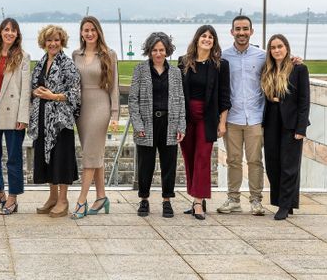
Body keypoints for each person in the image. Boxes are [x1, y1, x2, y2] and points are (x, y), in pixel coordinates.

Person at [128, 32, 185, 218]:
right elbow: (132, 100)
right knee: (146, 165)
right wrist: (138, 125)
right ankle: (143, 199)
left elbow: (180, 100)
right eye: (154, 50)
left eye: (161, 50)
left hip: (170, 123)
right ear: (149, 51)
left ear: (167, 50)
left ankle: (167, 201)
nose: (158, 54)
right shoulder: (140, 70)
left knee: (169, 164)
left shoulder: (176, 72)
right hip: (146, 124)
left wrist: (181, 126)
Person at [178, 25, 230, 220]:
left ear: (214, 41)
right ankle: (195, 198)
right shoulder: (183, 62)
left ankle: (198, 202)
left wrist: (222, 122)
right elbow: (177, 93)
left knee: (202, 157)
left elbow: (225, 96)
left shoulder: (220, 65)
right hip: (186, 117)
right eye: (204, 36)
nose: (207, 39)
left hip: (207, 118)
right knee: (189, 157)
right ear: (197, 39)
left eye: (211, 37)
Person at [218, 16, 268, 216]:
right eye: (237, 29)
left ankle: (256, 201)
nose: (241, 33)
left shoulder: (262, 56)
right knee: (233, 160)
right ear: (232, 32)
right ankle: (233, 199)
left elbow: (282, 67)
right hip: (232, 118)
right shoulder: (222, 57)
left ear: (251, 31)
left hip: (255, 117)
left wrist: (296, 60)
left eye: (245, 29)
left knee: (255, 160)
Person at [29, 24, 81, 218]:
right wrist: (35, 92)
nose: (53, 43)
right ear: (44, 42)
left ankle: (63, 200)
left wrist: (53, 96)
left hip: (60, 120)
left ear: (62, 42)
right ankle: (52, 197)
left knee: (61, 158)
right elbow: (34, 86)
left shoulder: (68, 64)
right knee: (46, 157)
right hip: (42, 117)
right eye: (49, 40)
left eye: (56, 40)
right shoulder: (41, 62)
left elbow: (75, 94)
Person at [70, 16, 119, 219]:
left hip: (100, 106)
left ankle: (81, 201)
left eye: (92, 30)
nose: (89, 33)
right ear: (81, 33)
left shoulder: (109, 54)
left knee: (90, 154)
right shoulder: (76, 54)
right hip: (81, 109)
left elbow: (114, 86)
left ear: (98, 31)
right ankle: (101, 197)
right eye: (85, 30)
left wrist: (115, 114)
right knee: (94, 152)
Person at [0, 18, 31, 215]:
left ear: (18, 34)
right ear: (1, 32)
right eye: (6, 29)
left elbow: (26, 89)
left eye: (13, 30)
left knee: (13, 157)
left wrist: (23, 116)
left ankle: (12, 198)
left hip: (13, 111)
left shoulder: (23, 57)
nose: (9, 33)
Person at [261, 34, 310, 220]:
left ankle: (285, 205)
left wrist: (301, 128)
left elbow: (304, 101)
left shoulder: (299, 69)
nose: (276, 50)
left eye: (280, 46)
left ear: (287, 48)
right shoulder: (268, 69)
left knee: (289, 166)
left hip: (291, 123)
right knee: (273, 164)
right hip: (272, 120)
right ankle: (282, 201)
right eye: (273, 47)